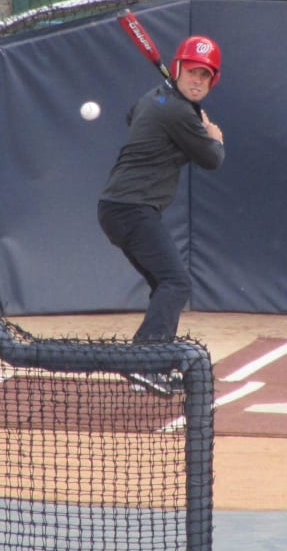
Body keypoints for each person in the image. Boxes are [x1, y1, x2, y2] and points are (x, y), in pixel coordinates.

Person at [97, 35, 225, 396]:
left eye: (206, 75)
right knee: (176, 283)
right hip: (131, 209)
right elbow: (212, 160)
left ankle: (154, 362)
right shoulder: (178, 111)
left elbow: (132, 116)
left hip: (118, 208)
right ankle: (143, 360)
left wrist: (188, 120)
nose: (197, 80)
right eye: (192, 72)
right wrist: (212, 135)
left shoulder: (155, 98)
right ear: (178, 68)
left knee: (163, 285)